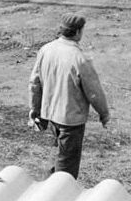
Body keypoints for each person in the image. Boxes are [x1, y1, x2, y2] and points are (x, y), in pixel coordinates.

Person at [29, 13, 110, 178]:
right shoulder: (79, 59)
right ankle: (58, 192)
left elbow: (34, 83)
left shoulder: (46, 49)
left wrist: (35, 108)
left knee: (61, 153)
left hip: (50, 114)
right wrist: (104, 113)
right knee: (67, 164)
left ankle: (52, 181)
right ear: (78, 32)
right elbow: (94, 93)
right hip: (70, 119)